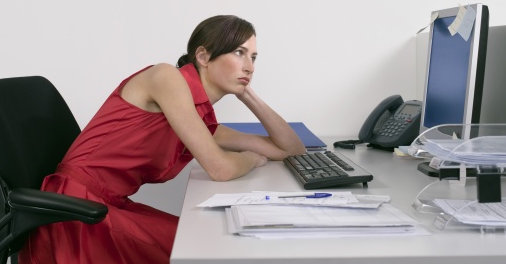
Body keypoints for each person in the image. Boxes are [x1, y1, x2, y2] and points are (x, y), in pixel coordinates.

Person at [19, 15, 306, 264]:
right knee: (204, 249)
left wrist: (247, 93)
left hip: (108, 207)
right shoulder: (166, 77)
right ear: (203, 57)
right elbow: (221, 169)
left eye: (254, 58)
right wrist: (250, 160)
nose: (250, 67)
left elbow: (291, 149)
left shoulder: (200, 121)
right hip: (75, 212)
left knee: (206, 242)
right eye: (240, 53)